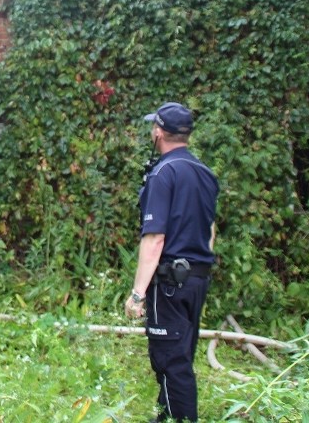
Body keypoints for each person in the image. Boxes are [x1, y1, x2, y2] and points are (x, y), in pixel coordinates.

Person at [124, 101, 219, 423]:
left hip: (170, 283)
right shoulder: (204, 173)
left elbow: (155, 239)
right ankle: (165, 416)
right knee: (181, 354)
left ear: (159, 131)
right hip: (198, 279)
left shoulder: (163, 173)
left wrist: (137, 294)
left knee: (170, 360)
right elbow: (210, 231)